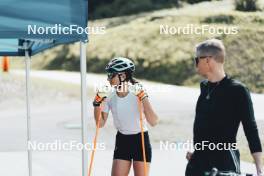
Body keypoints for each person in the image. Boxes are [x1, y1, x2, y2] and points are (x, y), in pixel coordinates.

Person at [185, 39, 263, 176]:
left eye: (197, 59)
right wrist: (199, 152)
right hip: (197, 164)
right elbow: (205, 126)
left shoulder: (237, 90)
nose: (195, 63)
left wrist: (259, 169)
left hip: (224, 164)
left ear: (208, 60)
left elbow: (250, 128)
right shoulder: (204, 87)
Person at [93, 57, 159, 176]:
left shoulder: (138, 91)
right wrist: (96, 103)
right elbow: (100, 124)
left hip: (141, 140)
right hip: (122, 140)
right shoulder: (109, 95)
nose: (108, 78)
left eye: (111, 74)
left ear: (122, 76)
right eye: (108, 75)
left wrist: (144, 97)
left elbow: (154, 122)